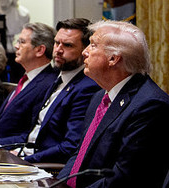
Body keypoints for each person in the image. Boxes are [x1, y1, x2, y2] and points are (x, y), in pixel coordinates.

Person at [58, 21, 169, 187]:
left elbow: (124, 178)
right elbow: (80, 154)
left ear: (113, 58)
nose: (84, 52)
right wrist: (58, 184)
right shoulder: (99, 97)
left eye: (93, 45)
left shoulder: (150, 105)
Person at [0, 18, 99, 164]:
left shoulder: (86, 87)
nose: (58, 50)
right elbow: (34, 134)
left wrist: (26, 159)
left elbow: (70, 146)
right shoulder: (58, 79)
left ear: (85, 50)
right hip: (25, 153)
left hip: (45, 165)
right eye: (57, 43)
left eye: (67, 45)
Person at [0, 22, 58, 140]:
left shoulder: (49, 83)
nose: (16, 46)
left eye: (22, 42)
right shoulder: (25, 79)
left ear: (40, 50)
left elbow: (32, 131)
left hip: (11, 148)